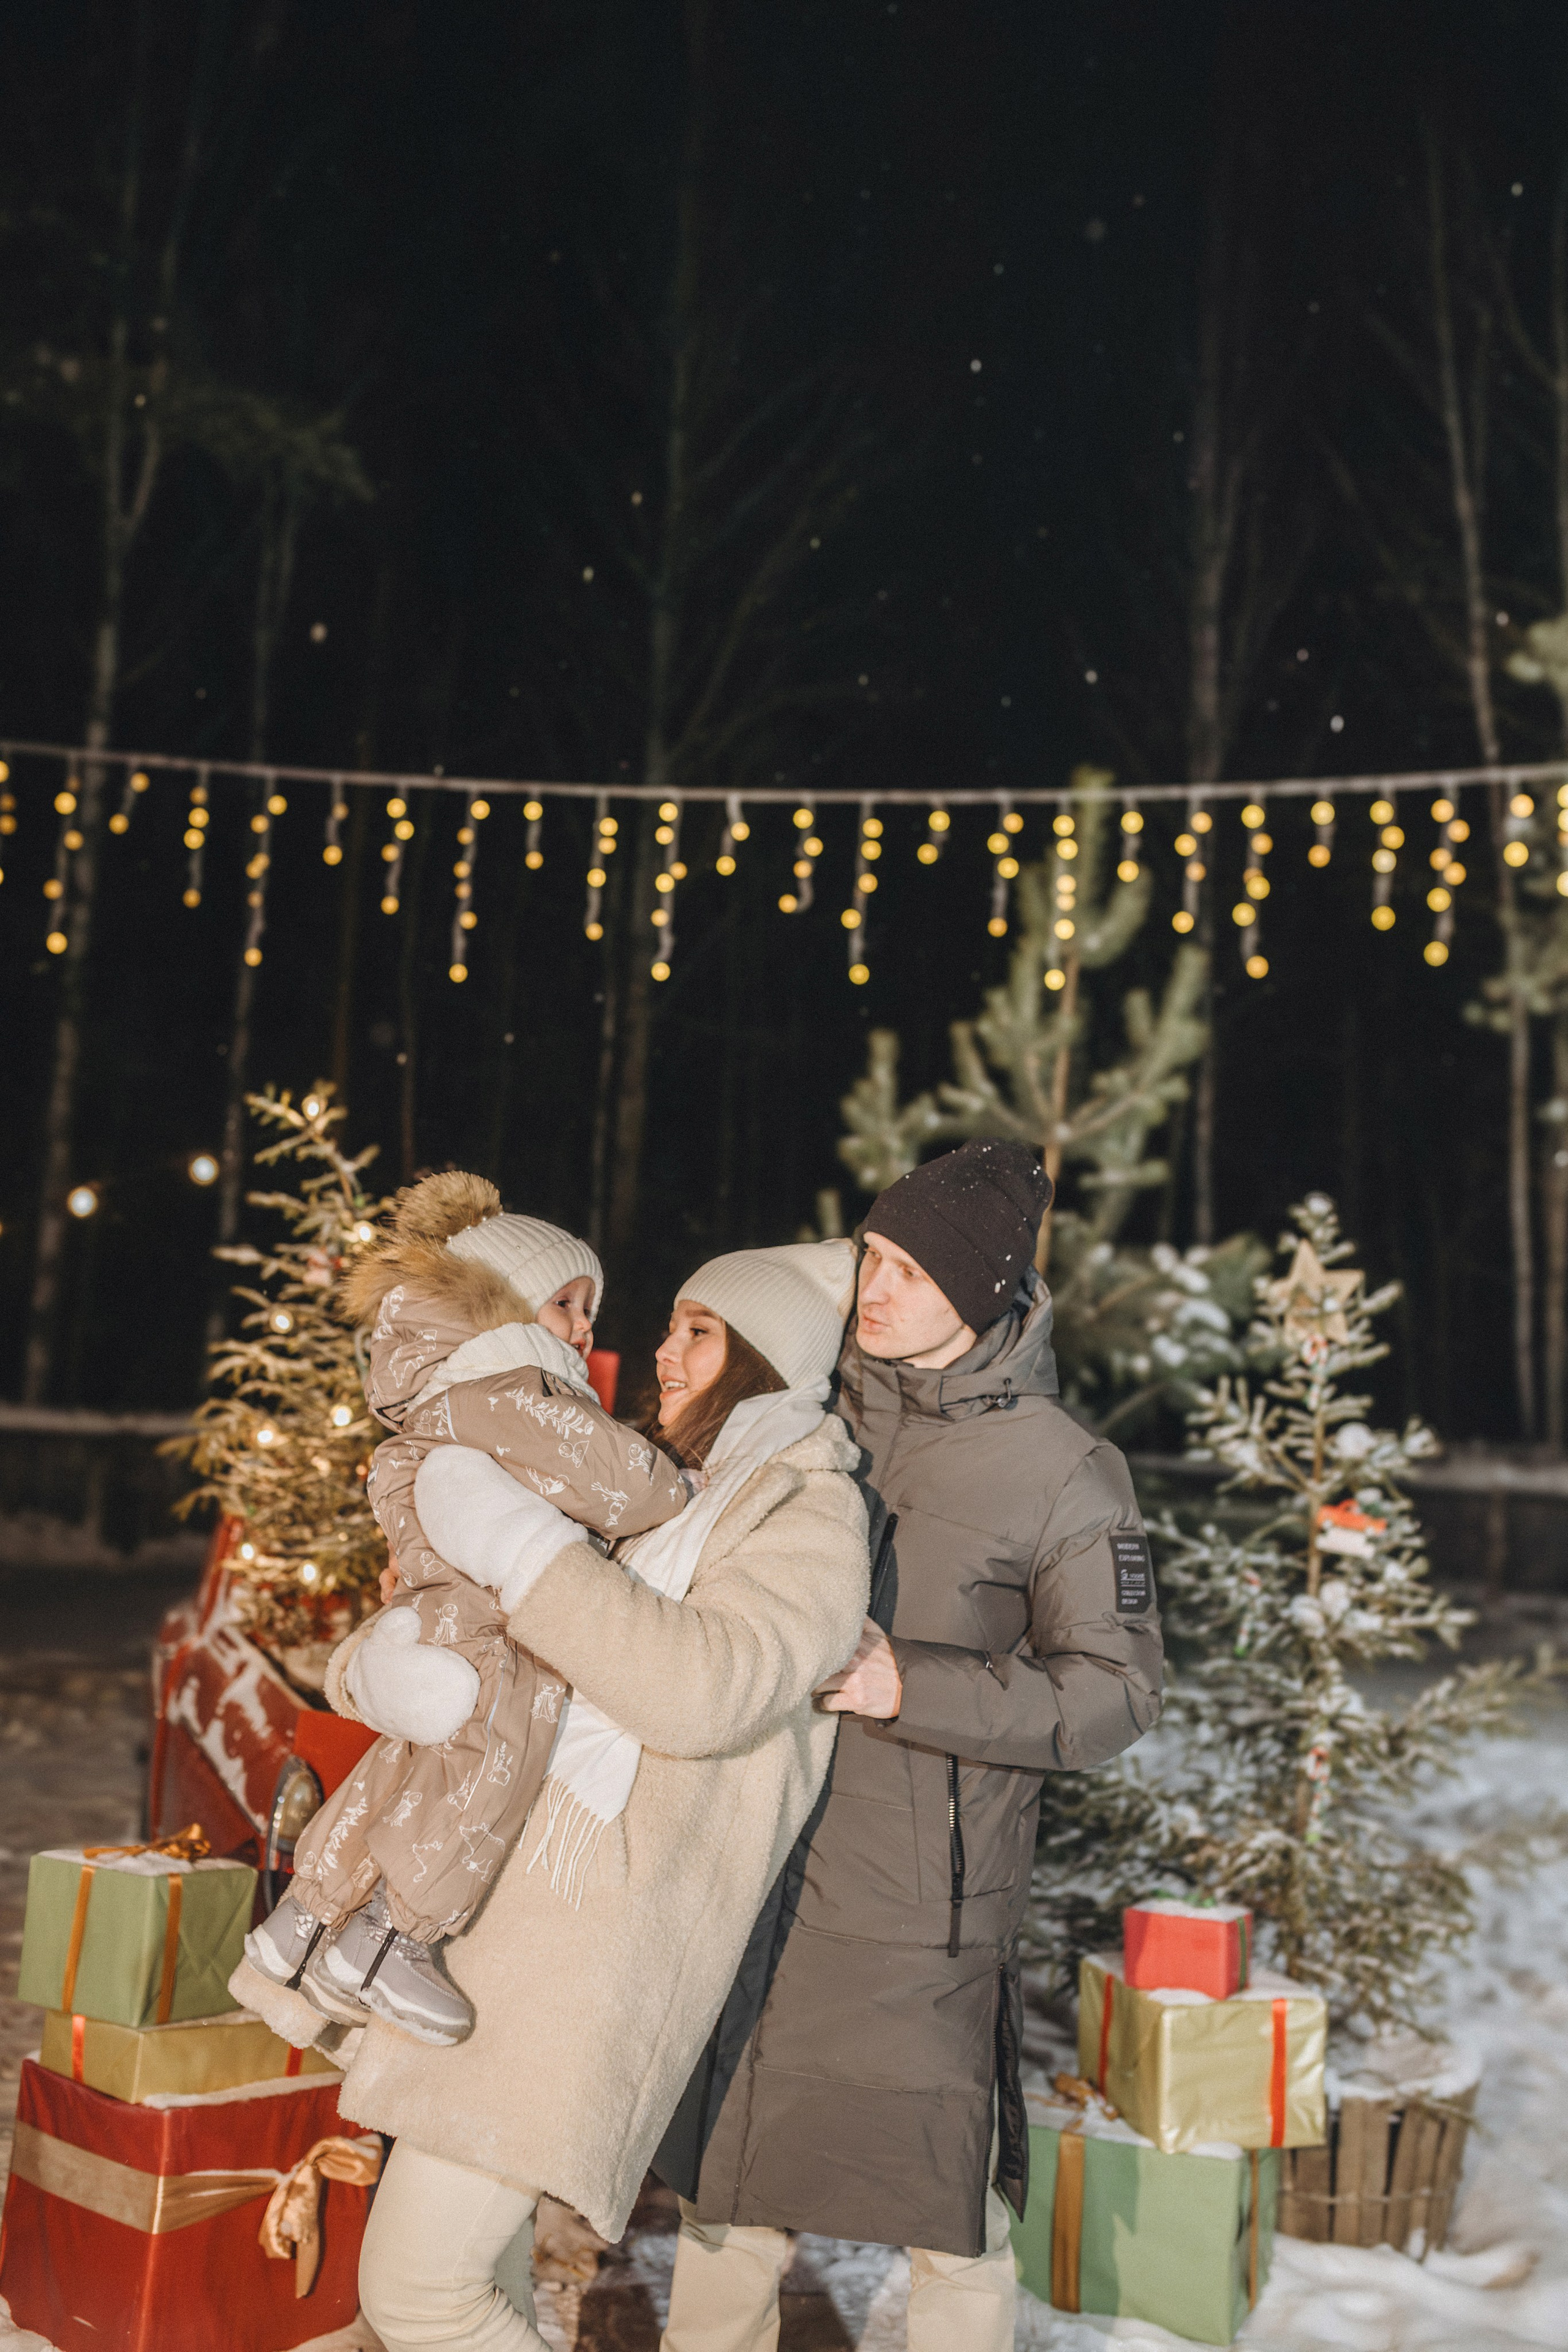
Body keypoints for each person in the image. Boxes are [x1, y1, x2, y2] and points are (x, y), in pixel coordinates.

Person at [658, 1140, 1164, 2352]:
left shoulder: (1064, 1474)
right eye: (869, 1258)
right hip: (758, 1870)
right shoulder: (805, 1411)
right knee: (729, 2199)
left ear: (982, 1286)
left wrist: (908, 1683)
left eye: (906, 1270)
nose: (870, 1289)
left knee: (944, 2213)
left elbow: (1116, 1695)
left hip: (920, 1911)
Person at [325, 1241, 872, 2352]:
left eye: (696, 1331)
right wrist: (382, 1652)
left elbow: (704, 1688)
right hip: (508, 1918)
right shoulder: (663, 1490)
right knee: (481, 2285)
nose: (661, 1353)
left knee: (419, 2294)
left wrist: (525, 1555)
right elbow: (499, 1662)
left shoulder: (808, 1512)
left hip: (590, 1943)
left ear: (762, 1359)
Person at [239, 1172, 689, 2047]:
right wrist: (679, 1479)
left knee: (409, 1774)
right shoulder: (511, 1390)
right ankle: (392, 1940)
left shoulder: (444, 1396)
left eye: (590, 1306)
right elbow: (631, 1489)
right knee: (494, 1766)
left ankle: (306, 1924)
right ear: (505, 1310)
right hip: (490, 1631)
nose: (584, 1327)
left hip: (438, 1618)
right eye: (565, 1304)